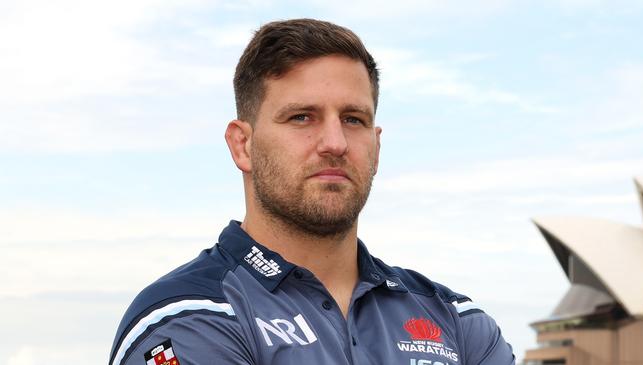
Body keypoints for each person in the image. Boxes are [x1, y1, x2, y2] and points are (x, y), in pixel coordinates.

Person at [109, 18, 515, 365]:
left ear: (376, 146)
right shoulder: (191, 317)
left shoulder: (457, 322)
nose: (335, 142)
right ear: (243, 145)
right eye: (302, 117)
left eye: (353, 119)